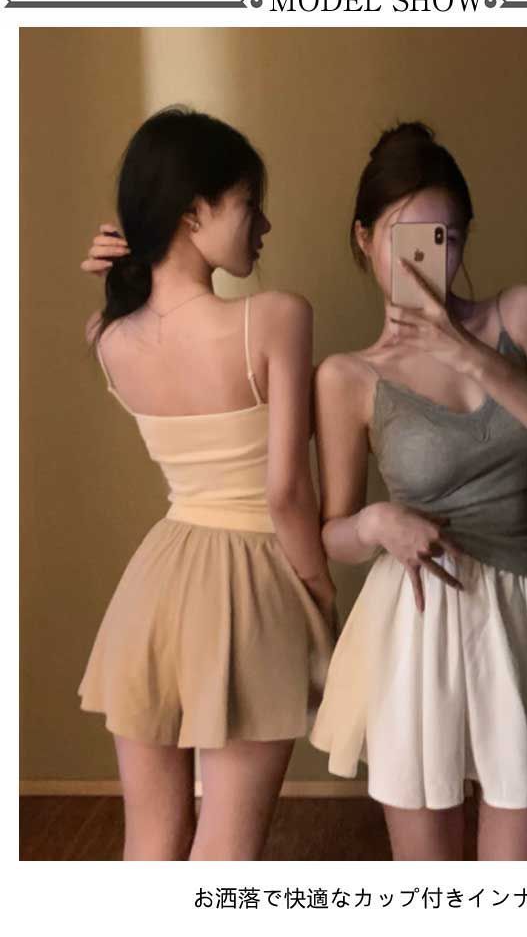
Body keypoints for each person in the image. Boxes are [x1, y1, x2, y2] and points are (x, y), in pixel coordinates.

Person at [308, 122, 527, 861]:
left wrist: (476, 360)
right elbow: (333, 531)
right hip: (416, 627)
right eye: (406, 238)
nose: (429, 259)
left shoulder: (520, 315)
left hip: (526, 616)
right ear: (364, 238)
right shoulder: (348, 376)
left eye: (445, 238)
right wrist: (377, 522)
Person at [78, 107, 335, 860]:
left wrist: (123, 273)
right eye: (250, 203)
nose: (264, 224)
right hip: (252, 585)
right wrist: (320, 590)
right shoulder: (277, 317)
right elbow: (286, 491)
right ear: (194, 212)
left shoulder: (107, 338)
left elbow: (115, 316)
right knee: (227, 848)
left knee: (150, 841)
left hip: (153, 589)